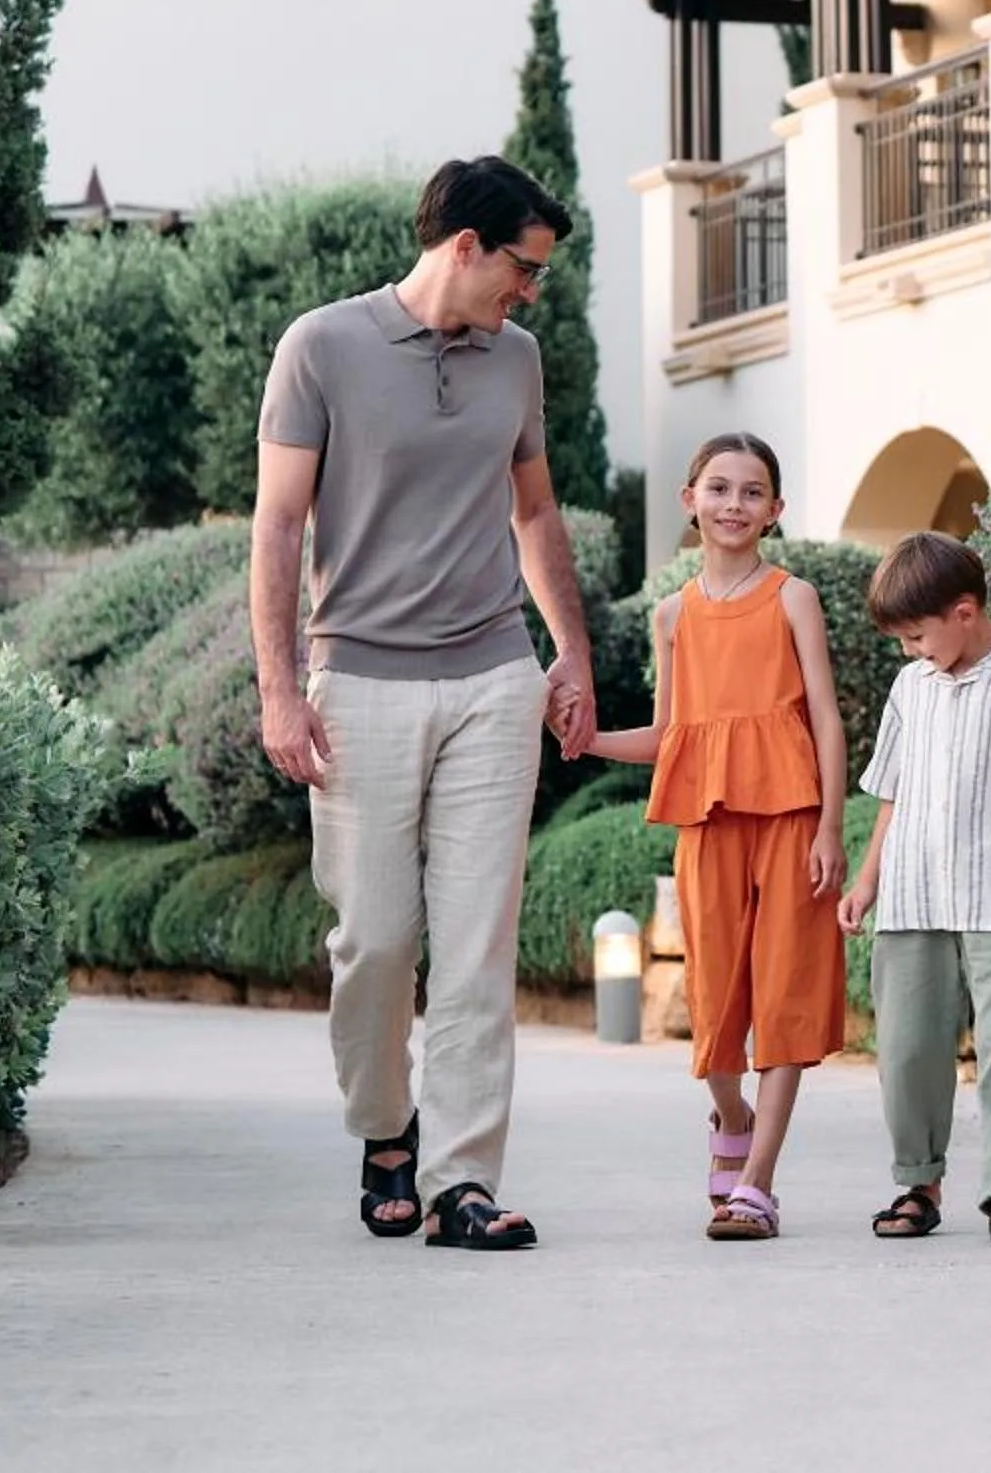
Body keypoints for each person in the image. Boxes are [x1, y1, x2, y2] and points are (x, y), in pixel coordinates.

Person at [252, 154, 599, 1252]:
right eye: (523, 269)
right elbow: (278, 526)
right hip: (358, 678)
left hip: (493, 675)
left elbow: (535, 513)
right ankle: (384, 1127)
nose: (529, 294)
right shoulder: (322, 346)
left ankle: (461, 1180)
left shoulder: (518, 361)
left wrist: (569, 653)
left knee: (478, 941)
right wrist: (279, 689)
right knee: (378, 941)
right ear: (464, 246)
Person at [584, 432, 848, 1241]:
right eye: (720, 488)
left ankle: (758, 1185)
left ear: (775, 511)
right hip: (707, 824)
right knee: (716, 1006)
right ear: (689, 499)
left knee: (786, 994)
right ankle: (729, 1118)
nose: (735, 504)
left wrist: (831, 825)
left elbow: (829, 718)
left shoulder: (793, 596)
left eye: (752, 491)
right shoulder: (673, 617)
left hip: (793, 817)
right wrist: (587, 740)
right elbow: (673, 735)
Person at [837, 531, 991, 1248]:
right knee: (908, 1045)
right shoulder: (912, 687)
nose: (910, 651)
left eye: (916, 635)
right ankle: (917, 1180)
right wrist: (867, 877)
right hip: (912, 892)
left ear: (965, 611)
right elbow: (892, 793)